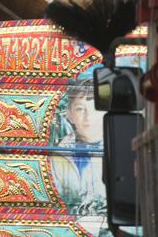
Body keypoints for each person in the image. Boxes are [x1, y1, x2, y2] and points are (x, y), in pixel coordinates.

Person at [49, 82, 106, 215]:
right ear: (69, 115)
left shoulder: (119, 148)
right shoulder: (59, 156)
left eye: (95, 109)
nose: (88, 117)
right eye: (80, 109)